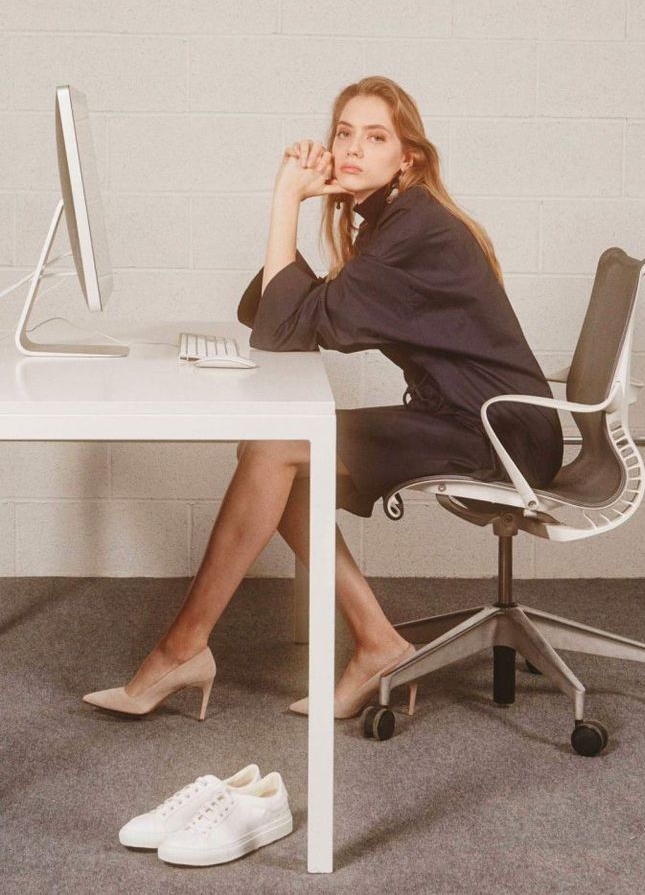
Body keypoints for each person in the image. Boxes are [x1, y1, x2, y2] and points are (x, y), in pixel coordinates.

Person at [82, 75, 564, 721]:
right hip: (465, 416)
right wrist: (297, 211)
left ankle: (182, 648)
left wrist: (286, 199)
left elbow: (282, 329)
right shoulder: (393, 222)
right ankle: (375, 643)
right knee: (278, 457)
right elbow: (277, 315)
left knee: (277, 450)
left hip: (498, 431)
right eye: (344, 133)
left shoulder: (416, 228)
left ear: (408, 158)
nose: (352, 149)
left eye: (375, 137)